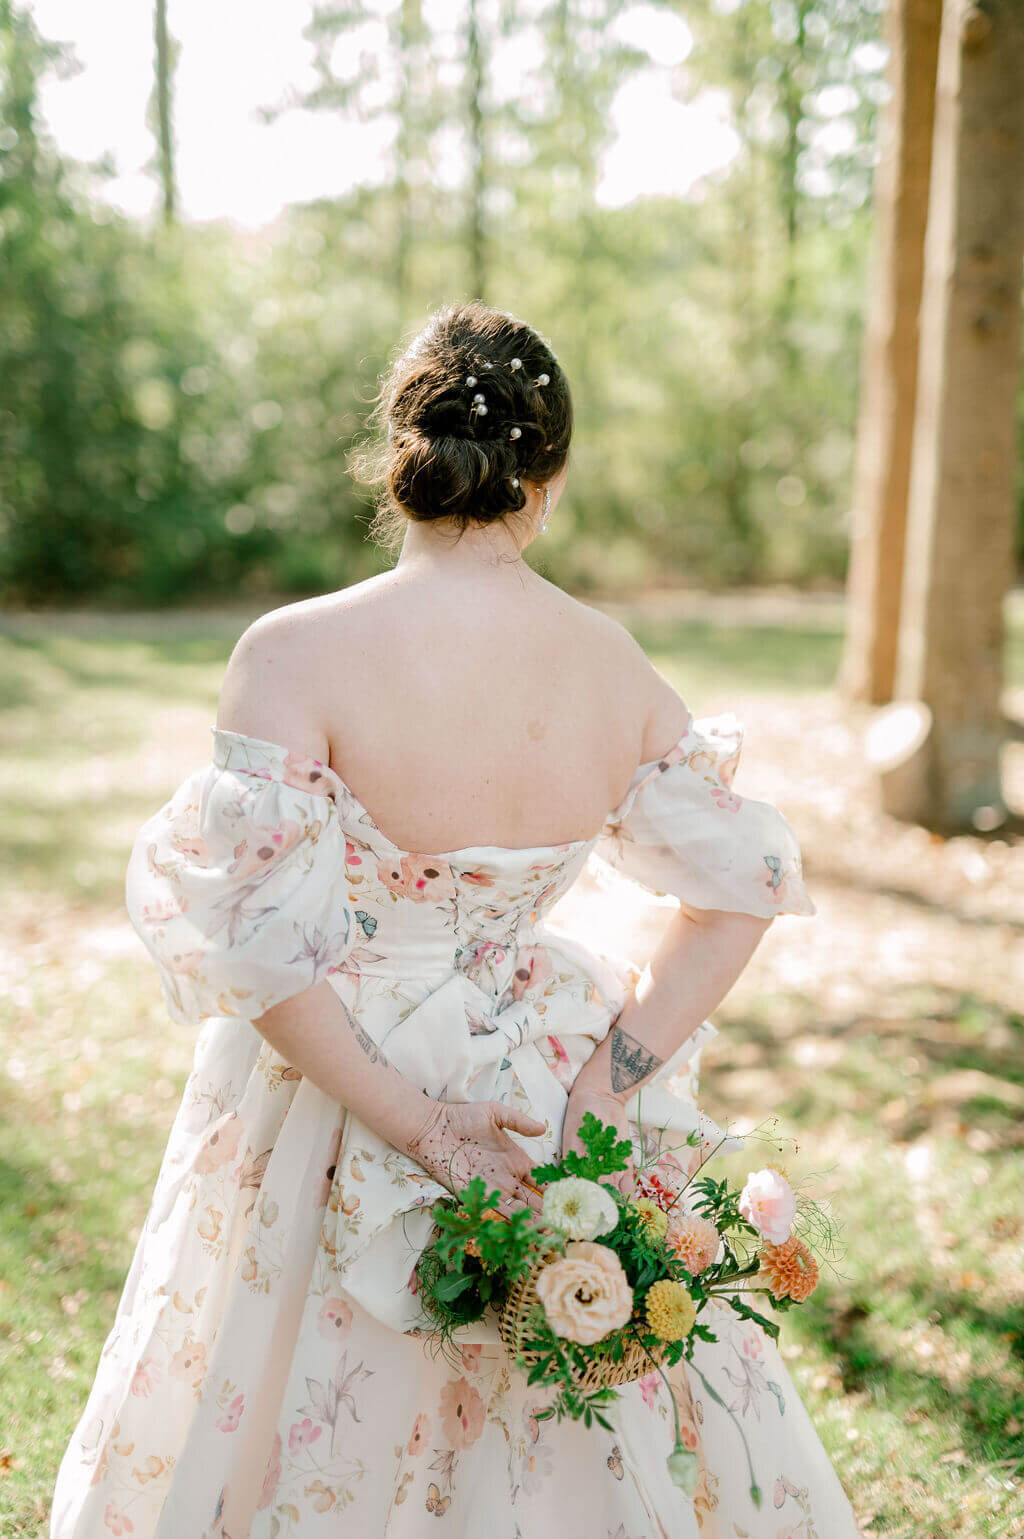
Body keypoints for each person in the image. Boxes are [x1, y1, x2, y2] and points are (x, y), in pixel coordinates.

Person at [50, 302, 866, 1539]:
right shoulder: (611, 665)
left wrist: (420, 1127)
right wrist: (600, 1090)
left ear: (400, 458)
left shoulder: (291, 654)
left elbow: (263, 953)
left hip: (333, 1069)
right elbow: (737, 891)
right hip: (540, 1070)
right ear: (551, 476)